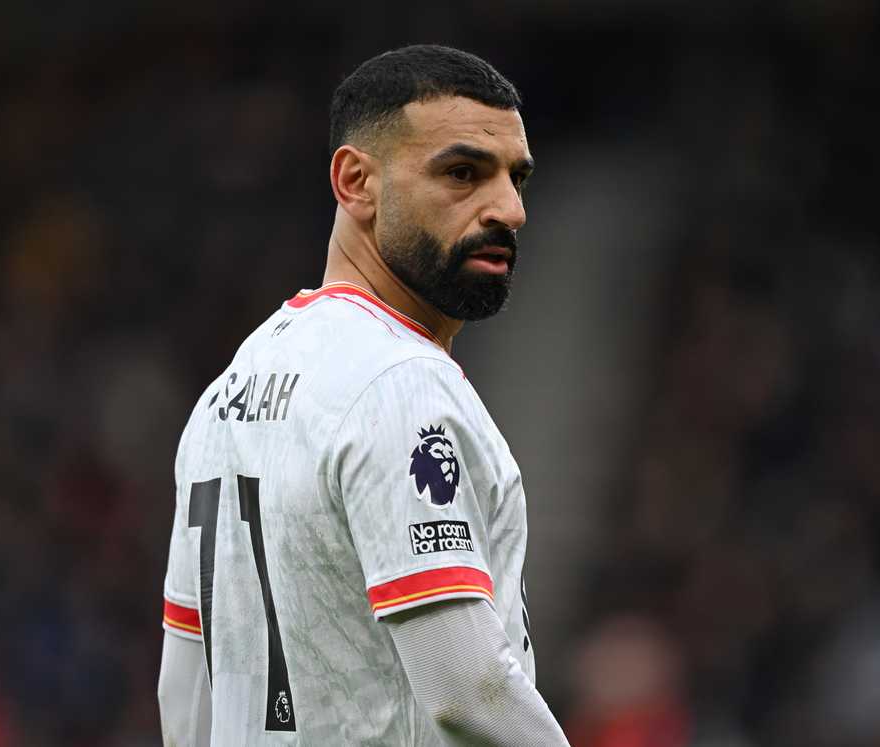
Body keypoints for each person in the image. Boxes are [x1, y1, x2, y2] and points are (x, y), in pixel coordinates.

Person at [157, 44, 570, 745]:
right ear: (356, 182)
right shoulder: (401, 385)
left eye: (516, 178)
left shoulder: (225, 397)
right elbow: (469, 689)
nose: (509, 209)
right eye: (463, 173)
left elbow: (186, 692)